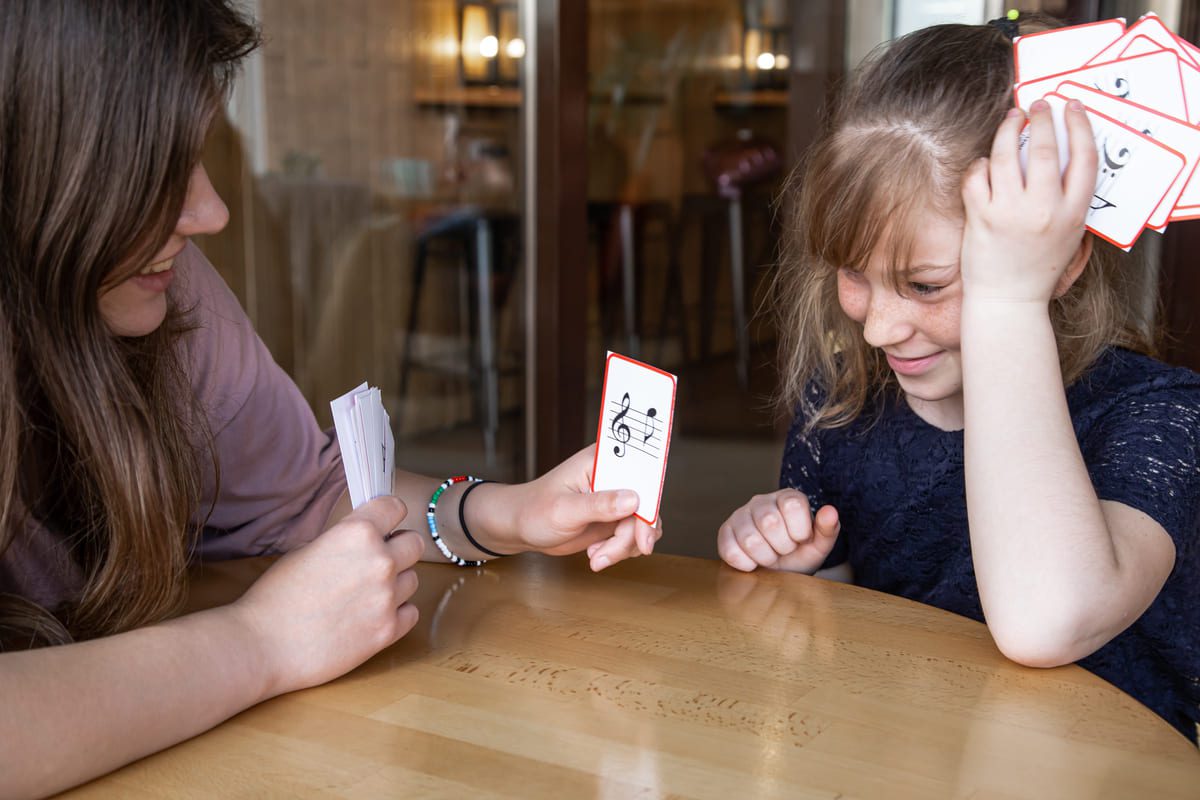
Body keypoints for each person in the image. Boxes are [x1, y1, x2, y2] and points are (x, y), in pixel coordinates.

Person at [0, 2, 660, 795]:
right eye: (153, 172)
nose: (212, 213)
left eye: (198, 157)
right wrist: (261, 643)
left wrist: (504, 514)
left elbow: (309, 496)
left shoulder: (166, 298)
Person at [718, 18, 1200, 743]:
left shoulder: (1160, 419)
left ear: (1059, 263)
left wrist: (1010, 302)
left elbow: (1047, 620)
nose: (876, 328)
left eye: (924, 283)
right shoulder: (850, 399)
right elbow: (867, 631)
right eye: (854, 274)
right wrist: (795, 569)